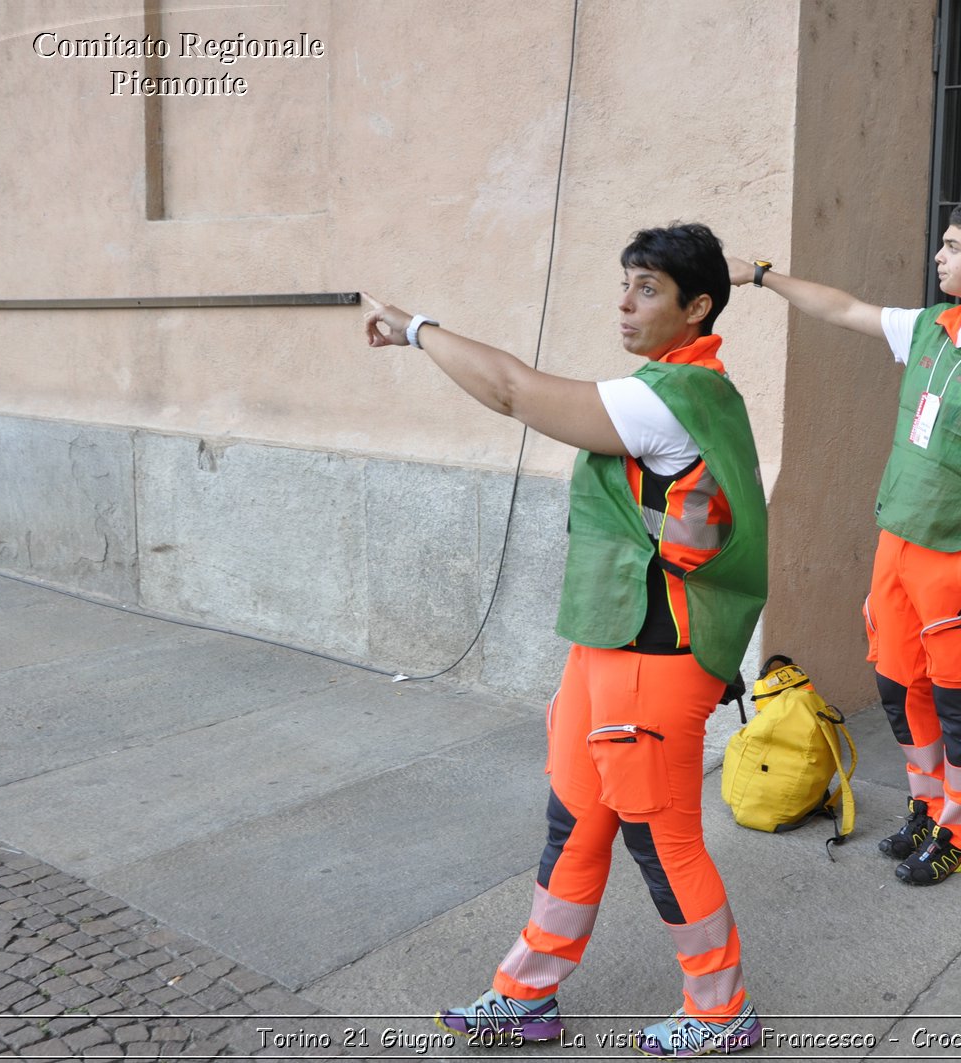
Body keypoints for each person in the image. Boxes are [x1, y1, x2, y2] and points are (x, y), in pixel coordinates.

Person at [361, 222, 766, 1056]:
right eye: (625, 282)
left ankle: (723, 1012)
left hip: (657, 654)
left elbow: (512, 389)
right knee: (574, 821)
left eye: (648, 288)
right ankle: (526, 996)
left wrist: (416, 328)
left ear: (697, 307)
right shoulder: (672, 387)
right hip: (610, 643)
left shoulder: (671, 398)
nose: (625, 302)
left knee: (662, 837)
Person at [728, 199, 961, 886]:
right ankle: (927, 803)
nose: (940, 256)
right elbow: (842, 308)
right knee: (896, 679)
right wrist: (762, 276)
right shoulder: (930, 328)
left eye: (952, 246)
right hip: (899, 539)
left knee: (955, 692)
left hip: (958, 552)